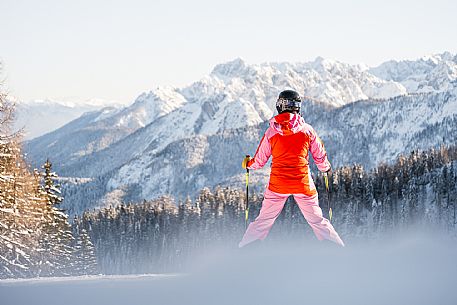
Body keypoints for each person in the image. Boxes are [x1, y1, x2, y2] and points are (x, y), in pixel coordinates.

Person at [239, 89, 345, 248]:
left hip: (278, 185)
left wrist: (248, 164)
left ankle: (246, 248)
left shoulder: (271, 132)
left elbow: (259, 162)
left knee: (264, 220)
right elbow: (320, 156)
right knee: (317, 220)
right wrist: (326, 169)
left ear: (280, 106)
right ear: (298, 107)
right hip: (303, 183)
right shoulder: (307, 130)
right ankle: (336, 248)